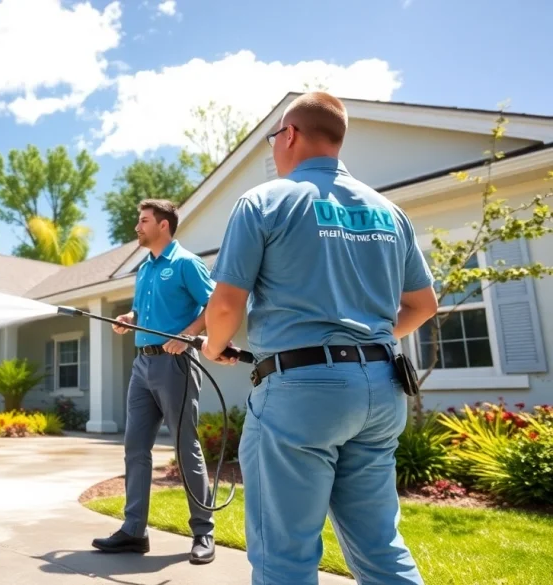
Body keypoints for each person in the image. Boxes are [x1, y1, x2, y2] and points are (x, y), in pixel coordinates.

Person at [200, 91, 437, 584]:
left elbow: (225, 305)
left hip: (302, 396)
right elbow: (422, 306)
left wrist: (214, 344)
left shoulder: (265, 201)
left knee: (284, 557)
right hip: (381, 387)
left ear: (289, 135)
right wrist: (362, 348)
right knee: (380, 546)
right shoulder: (389, 212)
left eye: (274, 138)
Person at [91, 198, 224, 565]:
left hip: (175, 366)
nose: (137, 227)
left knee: (185, 449)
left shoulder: (186, 263)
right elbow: (146, 311)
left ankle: (203, 531)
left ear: (163, 225)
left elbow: (215, 307)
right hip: (142, 367)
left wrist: (186, 335)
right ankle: (134, 531)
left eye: (143, 220)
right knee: (135, 449)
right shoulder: (145, 269)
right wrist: (129, 316)